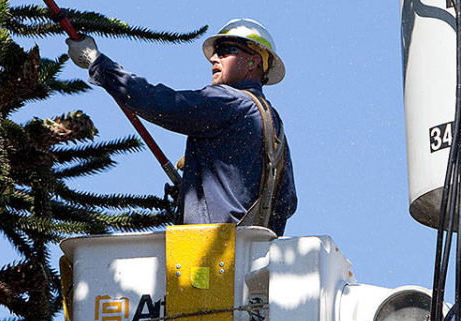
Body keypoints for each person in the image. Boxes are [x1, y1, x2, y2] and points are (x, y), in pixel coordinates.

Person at [66, 19, 296, 236]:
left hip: (209, 249)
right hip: (249, 259)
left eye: (226, 50)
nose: (214, 58)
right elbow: (287, 201)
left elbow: (161, 102)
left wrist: (98, 64)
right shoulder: (273, 123)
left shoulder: (229, 101)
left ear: (253, 61)